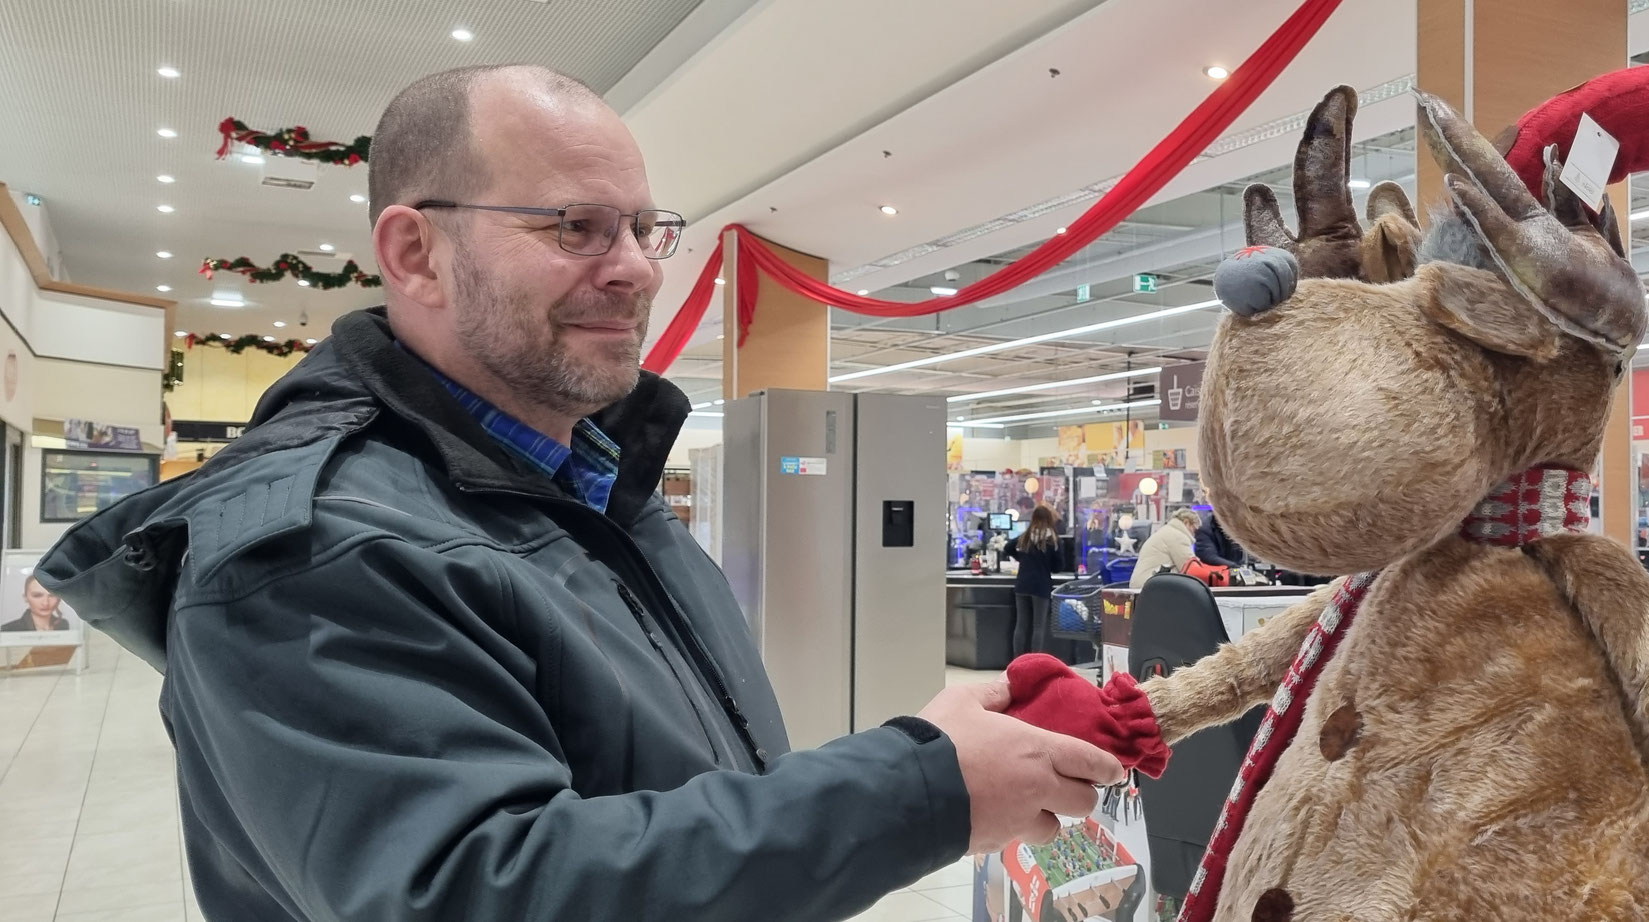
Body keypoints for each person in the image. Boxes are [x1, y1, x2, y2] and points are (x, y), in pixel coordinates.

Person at [32, 65, 1121, 922]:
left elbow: (671, 781)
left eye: (644, 228)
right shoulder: (315, 549)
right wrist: (919, 791)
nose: (639, 268)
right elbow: (479, 890)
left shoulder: (598, 488)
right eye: (572, 226)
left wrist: (914, 752)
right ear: (414, 251)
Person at [1007, 505, 1064, 657]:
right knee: (1038, 626)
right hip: (1041, 586)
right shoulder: (1052, 539)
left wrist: (1022, 559)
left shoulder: (1025, 536)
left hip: (1022, 584)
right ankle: (1034, 661)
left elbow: (1007, 547)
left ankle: (1016, 660)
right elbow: (1058, 566)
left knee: (1021, 624)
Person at [1132, 508, 1201, 591]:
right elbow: (1190, 567)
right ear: (1186, 522)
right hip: (1152, 587)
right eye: (1194, 529)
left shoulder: (1166, 531)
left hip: (1145, 584)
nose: (1194, 534)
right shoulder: (1178, 536)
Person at [0, 578, 69, 632]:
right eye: (37, 595)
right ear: (25, 597)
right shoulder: (9, 629)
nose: (45, 603)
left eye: (52, 595)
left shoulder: (63, 624)